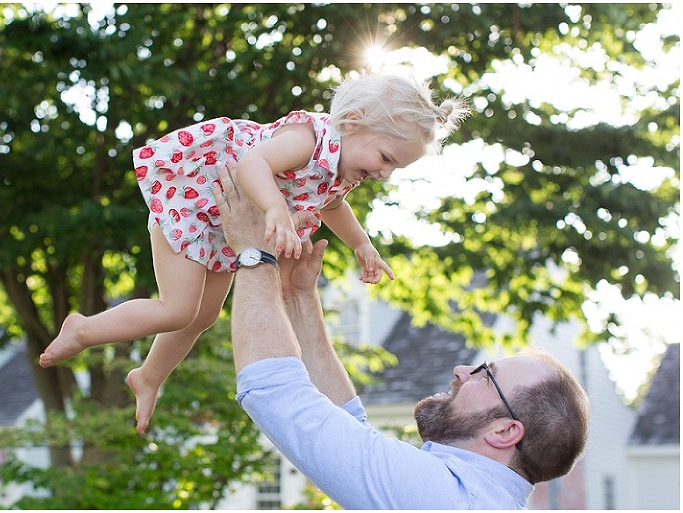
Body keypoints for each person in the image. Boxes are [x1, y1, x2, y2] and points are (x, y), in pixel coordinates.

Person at [39, 73, 468, 434]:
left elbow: (332, 203)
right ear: (353, 122)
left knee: (203, 317)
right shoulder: (308, 138)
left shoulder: (340, 170)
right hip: (197, 201)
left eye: (396, 169)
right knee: (177, 310)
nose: (385, 173)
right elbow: (252, 165)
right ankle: (83, 329)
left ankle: (148, 377)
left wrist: (361, 244)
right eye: (386, 158)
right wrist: (276, 209)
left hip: (229, 225)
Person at [213, 160, 591, 509]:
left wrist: (253, 253)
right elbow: (349, 432)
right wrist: (299, 298)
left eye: (486, 375)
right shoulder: (465, 493)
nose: (463, 370)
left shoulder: (444, 498)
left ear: (505, 430)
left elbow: (275, 393)